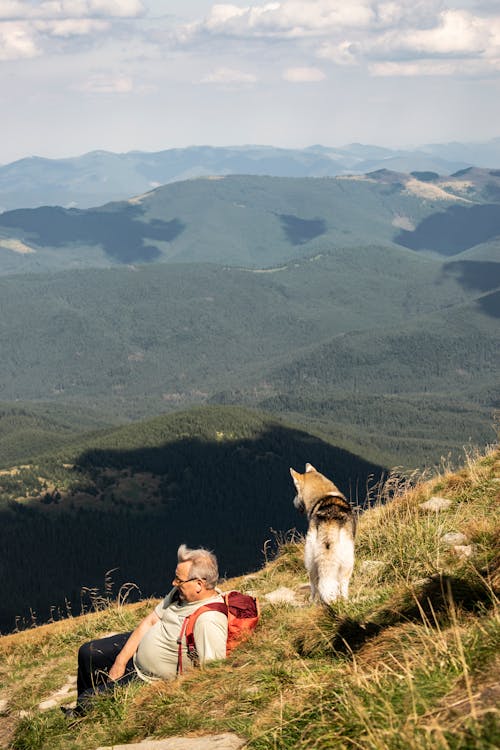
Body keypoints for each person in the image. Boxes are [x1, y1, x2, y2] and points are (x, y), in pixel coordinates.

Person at [64, 544, 228, 716]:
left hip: (150, 678)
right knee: (87, 653)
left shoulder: (208, 620)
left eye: (179, 580)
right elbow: (150, 622)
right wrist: (120, 662)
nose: (174, 583)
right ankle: (91, 703)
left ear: (199, 584)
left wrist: (172, 693)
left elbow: (212, 674)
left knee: (87, 700)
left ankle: (84, 716)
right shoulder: (180, 594)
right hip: (137, 655)